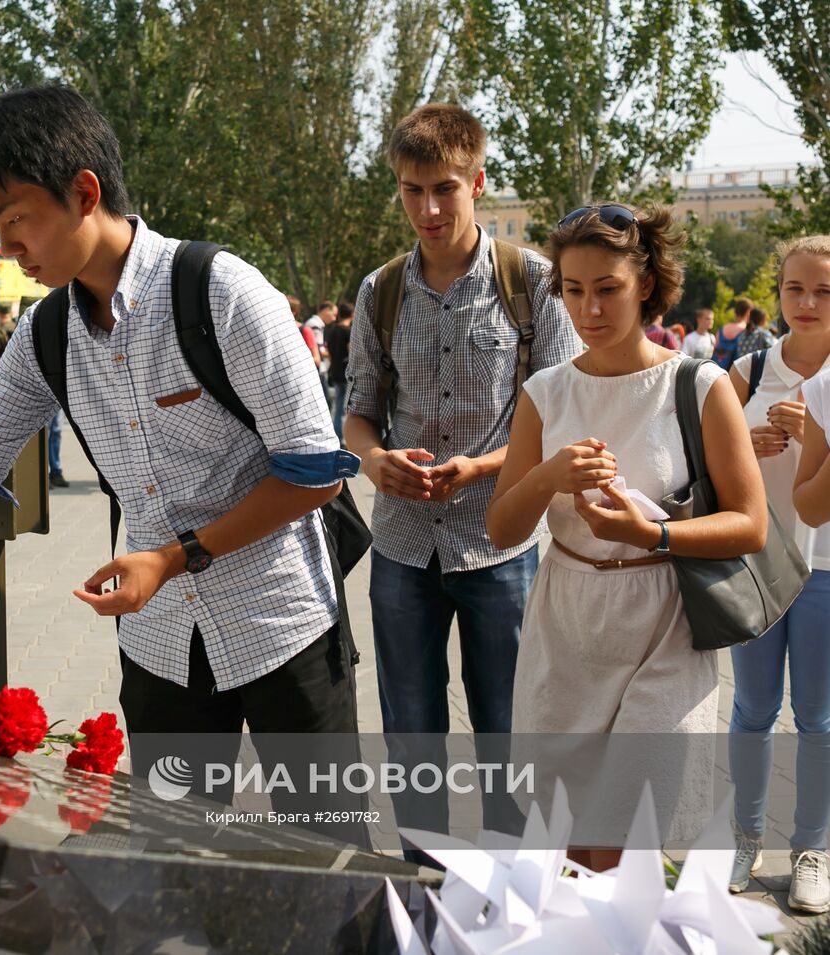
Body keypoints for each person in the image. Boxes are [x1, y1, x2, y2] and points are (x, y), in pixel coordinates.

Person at [0, 86, 367, 843]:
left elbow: (316, 473)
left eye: (17, 220)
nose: (9, 249)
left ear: (84, 192)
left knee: (332, 860)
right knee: (175, 855)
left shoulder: (221, 293)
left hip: (283, 625)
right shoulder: (48, 335)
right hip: (160, 647)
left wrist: (177, 557)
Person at [486, 203, 765, 869]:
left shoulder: (700, 384)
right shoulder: (545, 392)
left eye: (606, 288)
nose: (588, 310)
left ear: (644, 283)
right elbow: (502, 529)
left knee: (621, 843)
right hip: (568, 625)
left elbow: (750, 523)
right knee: (566, 844)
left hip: (665, 624)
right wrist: (549, 473)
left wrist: (654, 533)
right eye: (574, 290)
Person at [344, 104, 582, 855]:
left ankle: (514, 892)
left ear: (478, 181)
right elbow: (355, 415)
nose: (429, 208)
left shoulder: (534, 282)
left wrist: (479, 467)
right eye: (412, 191)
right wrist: (375, 462)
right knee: (411, 735)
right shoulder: (379, 290)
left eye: (444, 188)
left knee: (509, 734)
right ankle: (424, 894)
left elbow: (564, 418)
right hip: (402, 547)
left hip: (501, 546)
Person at [732, 235, 830, 910]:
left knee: (819, 718)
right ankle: (743, 837)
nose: (808, 302)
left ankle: (812, 850)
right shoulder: (748, 369)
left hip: (825, 564)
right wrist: (746, 440)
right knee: (752, 710)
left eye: (824, 291)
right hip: (759, 562)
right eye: (796, 288)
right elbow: (704, 466)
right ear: (778, 293)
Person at [324, 301, 353, 438]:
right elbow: (352, 352)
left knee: (338, 405)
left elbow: (328, 350)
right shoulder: (348, 331)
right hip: (346, 373)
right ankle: (341, 437)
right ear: (352, 314)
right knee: (344, 408)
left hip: (334, 371)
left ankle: (337, 434)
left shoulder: (332, 330)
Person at [713, 298, 753, 369]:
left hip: (717, 369)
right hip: (735, 371)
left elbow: (715, 348)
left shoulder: (722, 329)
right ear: (748, 311)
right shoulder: (747, 331)